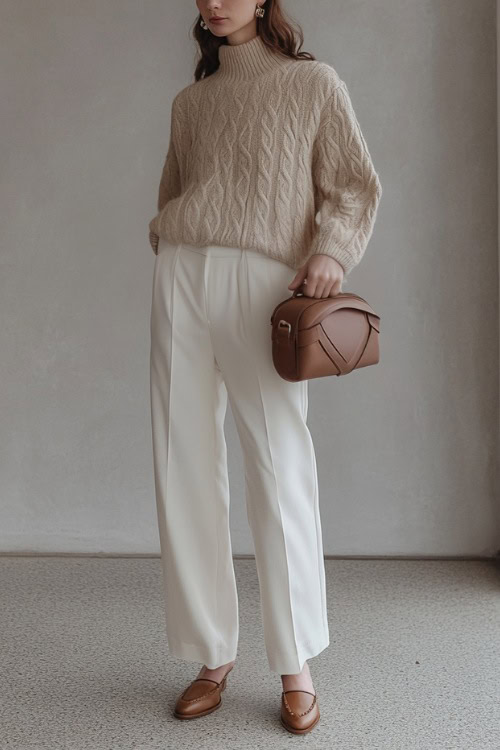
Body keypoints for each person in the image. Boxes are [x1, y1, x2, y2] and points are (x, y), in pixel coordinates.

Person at [148, 0, 382, 734]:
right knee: (181, 459)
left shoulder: (314, 85)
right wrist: (170, 245)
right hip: (183, 276)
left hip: (264, 283)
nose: (214, 2)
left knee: (279, 460)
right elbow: (175, 192)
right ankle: (210, 654)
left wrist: (332, 251)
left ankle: (295, 663)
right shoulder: (192, 102)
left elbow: (352, 184)